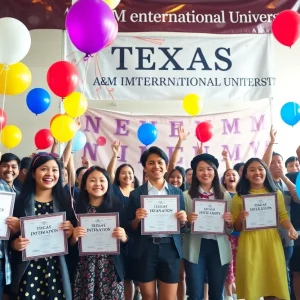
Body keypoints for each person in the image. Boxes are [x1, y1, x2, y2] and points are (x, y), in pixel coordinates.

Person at [9, 153, 75, 299]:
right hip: (28, 270)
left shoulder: (66, 203)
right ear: (33, 173)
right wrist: (15, 244)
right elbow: (9, 240)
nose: (50, 174)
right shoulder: (20, 202)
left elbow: (73, 244)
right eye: (44, 169)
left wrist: (71, 233)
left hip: (57, 269)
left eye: (54, 170)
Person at [126, 146, 187, 300]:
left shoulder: (177, 193)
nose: (156, 166)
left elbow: (183, 228)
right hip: (145, 249)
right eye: (151, 163)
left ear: (166, 166)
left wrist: (183, 220)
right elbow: (129, 227)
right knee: (148, 296)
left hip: (170, 248)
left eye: (160, 162)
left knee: (168, 297)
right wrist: (137, 220)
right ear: (145, 167)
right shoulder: (136, 194)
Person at [232, 157, 298, 299]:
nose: (257, 172)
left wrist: (290, 228)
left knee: (272, 284)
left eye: (260, 169)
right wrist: (240, 219)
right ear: (245, 174)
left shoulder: (276, 193)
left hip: (271, 243)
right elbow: (235, 227)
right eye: (252, 169)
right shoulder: (239, 197)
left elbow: (283, 215)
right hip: (249, 243)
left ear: (265, 171)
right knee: (253, 284)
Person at [71, 166, 127, 300]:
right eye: (92, 180)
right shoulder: (75, 208)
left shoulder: (117, 206)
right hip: (84, 267)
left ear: (108, 184)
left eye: (102, 180)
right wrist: (73, 237)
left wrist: (124, 237)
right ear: (84, 185)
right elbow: (69, 244)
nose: (97, 184)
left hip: (110, 267)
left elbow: (128, 240)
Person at [183, 153, 233, 300]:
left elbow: (229, 230)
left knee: (217, 294)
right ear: (195, 173)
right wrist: (187, 222)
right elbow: (182, 228)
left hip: (219, 248)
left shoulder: (225, 196)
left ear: (215, 172)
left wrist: (229, 223)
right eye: (201, 169)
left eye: (209, 169)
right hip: (195, 247)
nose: (205, 173)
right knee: (195, 294)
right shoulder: (186, 196)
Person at [107, 141, 142, 300]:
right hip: (119, 236)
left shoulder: (139, 193)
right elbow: (108, 174)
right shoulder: (114, 190)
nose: (127, 175)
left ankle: (139, 294)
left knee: (138, 273)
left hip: (138, 236)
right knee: (126, 275)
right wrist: (115, 154)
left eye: (130, 173)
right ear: (118, 176)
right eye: (123, 173)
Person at [0, 153, 21, 299]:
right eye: (5, 166)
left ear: (19, 170)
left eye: (13, 166)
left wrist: (20, 226)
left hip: (6, 257)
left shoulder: (19, 195)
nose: (9, 169)